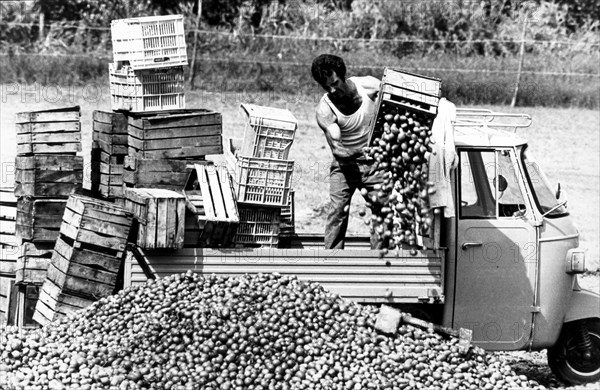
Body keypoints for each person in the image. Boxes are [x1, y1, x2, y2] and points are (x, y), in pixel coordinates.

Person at [311, 54, 384, 249]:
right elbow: (339, 151)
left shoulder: (368, 86)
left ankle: (379, 262)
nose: (332, 90)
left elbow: (395, 97)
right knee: (337, 211)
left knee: (382, 210)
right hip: (345, 165)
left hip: (375, 163)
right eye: (327, 87)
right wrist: (363, 150)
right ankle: (333, 260)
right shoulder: (325, 110)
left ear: (343, 75)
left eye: (335, 83)